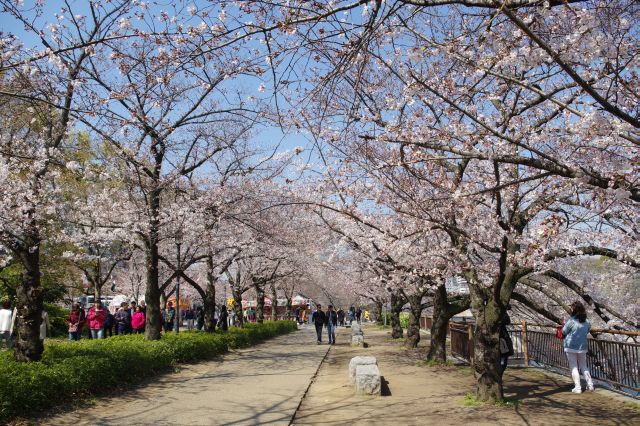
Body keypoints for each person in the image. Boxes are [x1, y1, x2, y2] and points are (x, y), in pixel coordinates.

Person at [562, 301, 594, 393]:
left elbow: (564, 331)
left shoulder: (571, 321)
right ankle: (590, 385)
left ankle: (578, 387)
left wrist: (564, 324)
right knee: (584, 366)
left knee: (574, 367)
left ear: (574, 310)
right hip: (582, 346)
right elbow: (587, 330)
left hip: (571, 346)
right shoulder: (587, 322)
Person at [499, 310, 514, 377]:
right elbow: (507, 321)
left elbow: (507, 321)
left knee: (503, 360)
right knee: (503, 359)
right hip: (501, 339)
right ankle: (498, 376)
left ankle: (499, 377)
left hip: (502, 339)